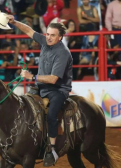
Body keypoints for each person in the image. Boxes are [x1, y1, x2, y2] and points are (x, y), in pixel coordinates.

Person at [7, 14, 72, 167]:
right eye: (47, 34)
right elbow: (29, 31)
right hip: (41, 87)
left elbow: (54, 79)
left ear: (60, 37)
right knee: (23, 106)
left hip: (58, 90)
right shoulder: (45, 41)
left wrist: (32, 76)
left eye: (52, 35)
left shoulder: (62, 53)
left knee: (51, 115)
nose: (48, 38)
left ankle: (52, 149)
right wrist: (14, 22)